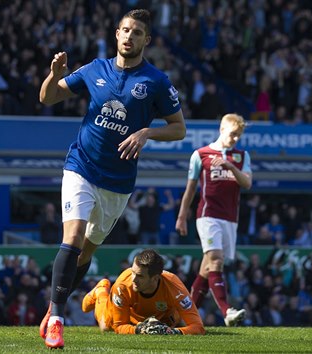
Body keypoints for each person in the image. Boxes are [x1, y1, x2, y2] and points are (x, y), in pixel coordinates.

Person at [37, 9, 186, 349]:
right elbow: (47, 97)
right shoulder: (94, 69)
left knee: (85, 252)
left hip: (117, 182)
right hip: (81, 165)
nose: (129, 37)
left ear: (146, 40)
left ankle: (51, 308)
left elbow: (179, 129)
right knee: (72, 237)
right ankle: (58, 319)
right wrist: (53, 74)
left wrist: (147, 132)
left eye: (137, 33)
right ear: (116, 33)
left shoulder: (157, 82)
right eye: (125, 30)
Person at [176, 113, 251, 327]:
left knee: (207, 268)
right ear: (222, 130)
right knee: (216, 259)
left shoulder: (242, 156)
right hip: (207, 216)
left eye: (239, 136)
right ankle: (227, 311)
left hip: (230, 219)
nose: (235, 139)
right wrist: (182, 216)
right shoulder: (201, 154)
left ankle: (186, 317)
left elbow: (247, 183)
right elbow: (190, 190)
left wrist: (231, 167)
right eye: (233, 134)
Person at [82, 249, 205, 335]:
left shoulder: (175, 288)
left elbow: (198, 327)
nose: (133, 279)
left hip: (163, 316)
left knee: (174, 321)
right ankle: (101, 291)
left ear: (155, 278)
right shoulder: (123, 286)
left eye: (140, 276)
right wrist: (139, 329)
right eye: (133, 272)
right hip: (132, 314)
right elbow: (119, 327)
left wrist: (172, 332)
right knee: (106, 327)